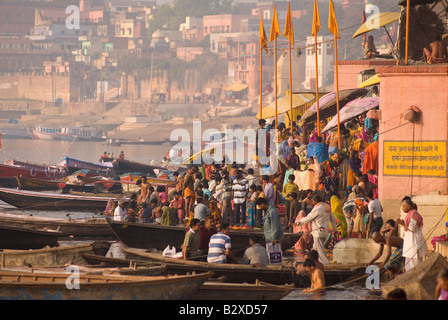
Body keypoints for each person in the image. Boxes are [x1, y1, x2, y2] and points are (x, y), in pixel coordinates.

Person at [296, 192, 338, 264]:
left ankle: (326, 263)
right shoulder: (327, 207)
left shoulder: (317, 208)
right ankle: (314, 263)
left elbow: (309, 218)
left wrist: (298, 223)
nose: (312, 202)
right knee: (315, 249)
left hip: (318, 231)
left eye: (313, 201)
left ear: (315, 201)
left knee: (320, 250)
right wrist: (335, 229)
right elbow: (333, 219)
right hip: (324, 231)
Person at [397, 198, 428, 272]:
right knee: (409, 266)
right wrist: (403, 224)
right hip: (410, 244)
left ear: (409, 206)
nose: (402, 208)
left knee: (415, 266)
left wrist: (402, 224)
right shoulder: (409, 214)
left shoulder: (413, 214)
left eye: (404, 206)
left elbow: (411, 228)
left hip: (414, 243)